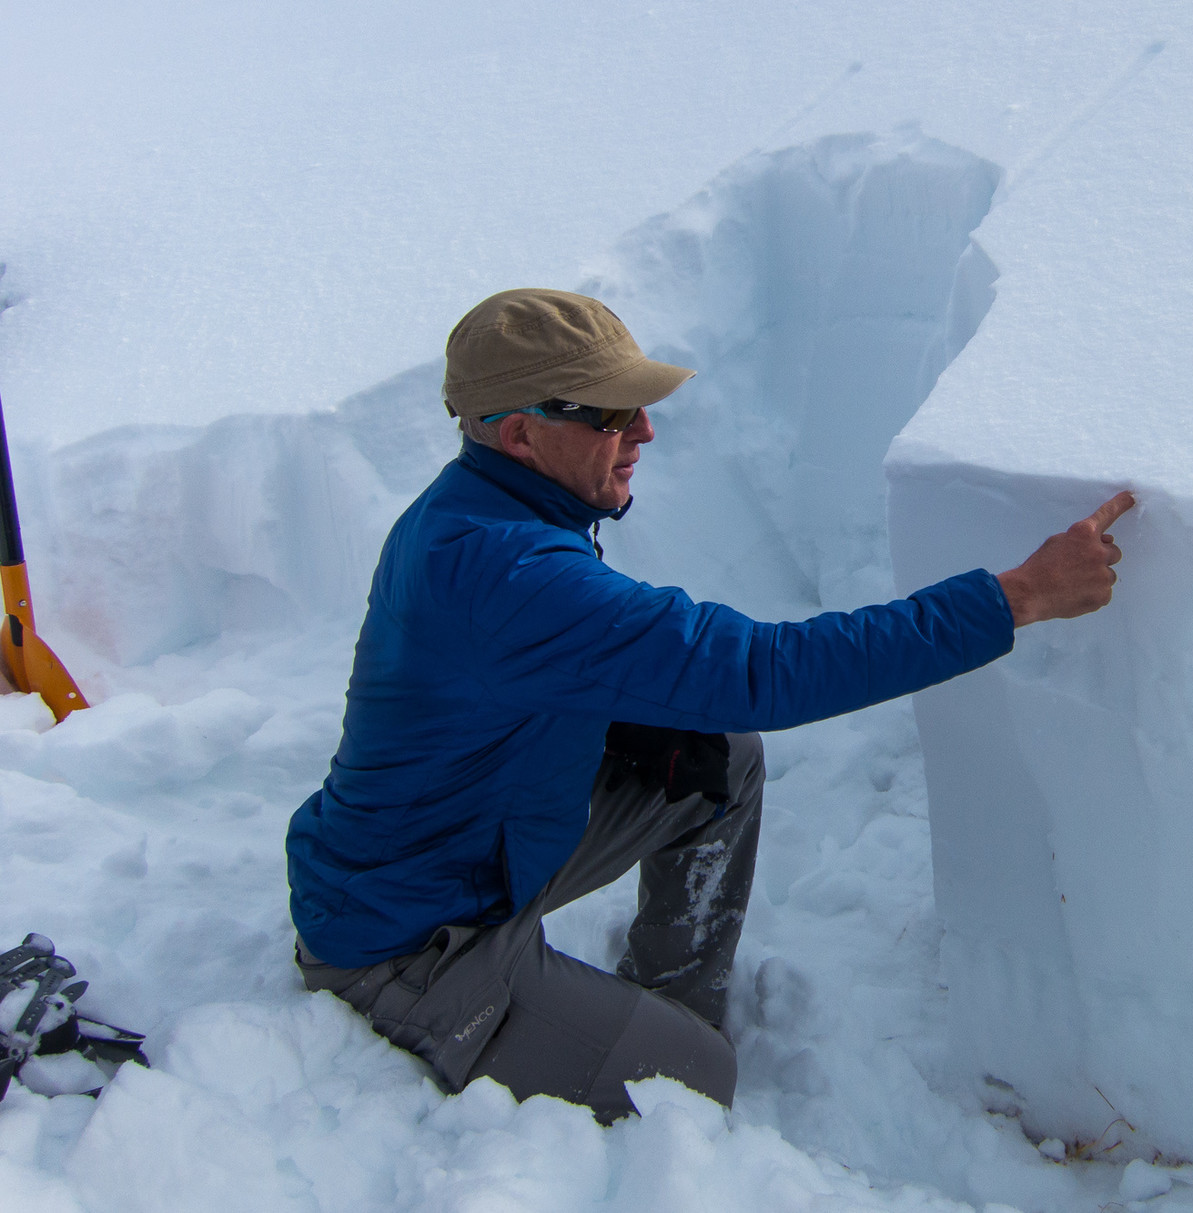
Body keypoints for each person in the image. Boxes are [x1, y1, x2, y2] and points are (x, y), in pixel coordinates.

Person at [285, 288, 1134, 1124]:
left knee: (713, 759)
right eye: (614, 415)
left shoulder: (482, 506)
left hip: (478, 844)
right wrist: (1014, 596)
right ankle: (649, 1045)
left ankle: (661, 1005)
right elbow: (767, 667)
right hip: (414, 941)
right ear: (520, 432)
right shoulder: (511, 575)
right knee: (689, 1085)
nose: (643, 431)